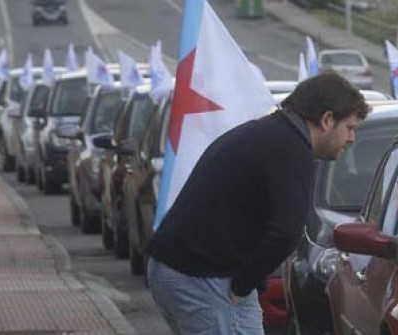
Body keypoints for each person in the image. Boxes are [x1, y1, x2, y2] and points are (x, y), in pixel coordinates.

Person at [146, 72, 370, 335]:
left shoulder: (272, 134)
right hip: (202, 275)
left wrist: (245, 284)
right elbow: (286, 232)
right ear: (327, 120)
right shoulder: (291, 148)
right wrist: (242, 286)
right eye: (350, 128)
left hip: (181, 267)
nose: (352, 138)